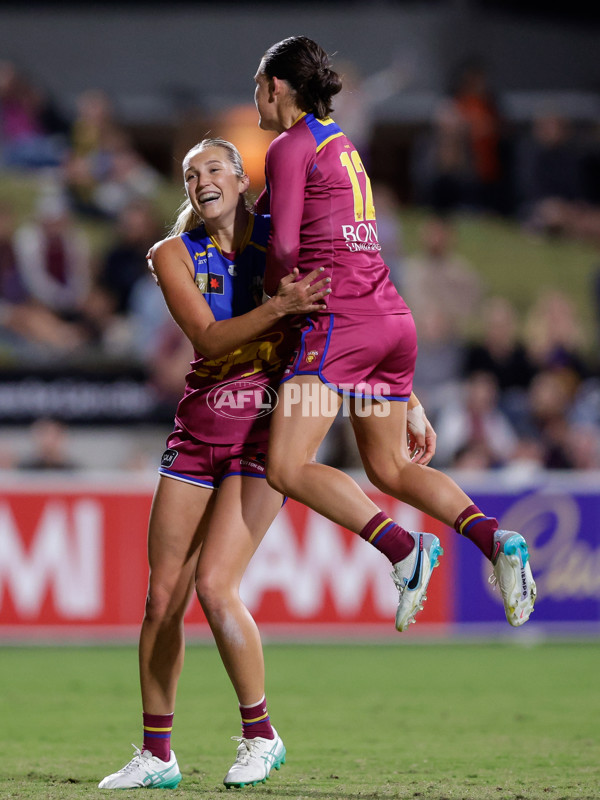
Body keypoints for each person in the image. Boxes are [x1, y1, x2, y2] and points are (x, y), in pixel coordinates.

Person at [253, 36, 536, 633]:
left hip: (339, 325)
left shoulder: (288, 145)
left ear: (277, 88)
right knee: (389, 467)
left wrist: (272, 299)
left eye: (258, 85)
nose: (255, 98)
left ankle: (404, 550)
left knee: (284, 465)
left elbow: (282, 247)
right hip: (389, 319)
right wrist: (405, 393)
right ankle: (497, 540)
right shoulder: (342, 146)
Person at [98, 138, 330, 790]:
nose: (201, 179)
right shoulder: (170, 254)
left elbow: (349, 322)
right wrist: (280, 308)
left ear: (239, 177)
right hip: (199, 433)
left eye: (213, 168)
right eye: (190, 173)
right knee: (160, 598)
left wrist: (409, 401)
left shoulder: (285, 244)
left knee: (215, 587)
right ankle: (157, 755)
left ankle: (261, 734)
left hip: (264, 436)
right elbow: (205, 336)